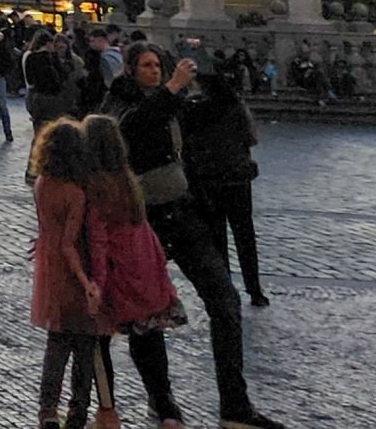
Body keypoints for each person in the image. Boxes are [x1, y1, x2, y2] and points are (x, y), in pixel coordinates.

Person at [110, 45, 285, 429]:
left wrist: (211, 73)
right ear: (131, 70)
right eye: (147, 66)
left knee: (224, 299)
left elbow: (215, 112)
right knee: (148, 312)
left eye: (159, 66)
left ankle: (235, 406)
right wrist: (171, 88)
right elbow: (133, 127)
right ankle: (162, 401)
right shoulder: (119, 102)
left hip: (182, 212)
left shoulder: (175, 102)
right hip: (141, 219)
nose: (154, 72)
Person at [79, 112, 184, 429]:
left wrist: (96, 284)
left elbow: (98, 242)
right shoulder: (129, 180)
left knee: (98, 343)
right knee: (149, 339)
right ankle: (167, 410)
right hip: (145, 268)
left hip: (116, 273)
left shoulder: (94, 187)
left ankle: (107, 412)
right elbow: (147, 234)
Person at [31, 117, 114, 429]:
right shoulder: (74, 193)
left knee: (56, 344)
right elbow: (69, 244)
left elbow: (48, 232)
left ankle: (47, 410)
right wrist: (87, 282)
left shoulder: (41, 184)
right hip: (71, 271)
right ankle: (77, 410)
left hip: (47, 267)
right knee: (84, 345)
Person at [186, 63, 265, 306]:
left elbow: (188, 146)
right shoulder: (235, 106)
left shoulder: (195, 110)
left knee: (217, 235)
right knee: (245, 234)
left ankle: (225, 287)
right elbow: (250, 138)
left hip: (210, 180)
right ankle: (255, 290)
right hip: (238, 178)